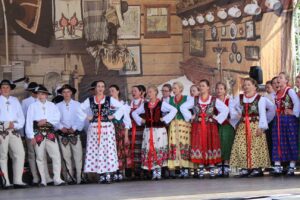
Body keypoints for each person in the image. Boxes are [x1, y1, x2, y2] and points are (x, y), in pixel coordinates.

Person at [77, 80, 124, 184]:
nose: (100, 88)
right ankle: (101, 174)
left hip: (107, 127)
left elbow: (122, 107)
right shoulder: (90, 100)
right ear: (95, 88)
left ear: (104, 88)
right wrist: (86, 116)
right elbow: (79, 109)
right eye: (98, 86)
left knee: (107, 150)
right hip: (94, 129)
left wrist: (114, 116)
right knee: (97, 151)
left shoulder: (109, 99)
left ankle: (108, 173)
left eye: (102, 86)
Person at [181, 79, 229, 179]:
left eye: (203, 86)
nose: (201, 87)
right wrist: (190, 117)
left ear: (208, 87)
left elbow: (225, 109)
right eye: (200, 86)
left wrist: (217, 118)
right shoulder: (194, 99)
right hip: (198, 126)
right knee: (199, 144)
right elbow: (183, 107)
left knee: (210, 143)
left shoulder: (213, 99)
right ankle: (201, 166)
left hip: (210, 126)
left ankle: (212, 166)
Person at [230, 78, 275, 177]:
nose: (246, 87)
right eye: (245, 85)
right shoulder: (240, 97)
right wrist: (235, 114)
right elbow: (231, 106)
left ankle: (257, 168)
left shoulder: (261, 99)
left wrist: (263, 123)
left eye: (248, 85)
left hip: (255, 126)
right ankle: (245, 167)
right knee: (241, 146)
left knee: (256, 146)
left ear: (255, 87)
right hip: (243, 125)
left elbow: (272, 109)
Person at [132, 85, 177, 180]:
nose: (149, 94)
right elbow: (134, 113)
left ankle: (158, 171)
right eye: (148, 92)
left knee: (158, 148)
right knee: (150, 149)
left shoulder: (161, 104)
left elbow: (174, 110)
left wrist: (164, 119)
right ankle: (153, 170)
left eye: (151, 92)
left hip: (159, 130)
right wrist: (141, 120)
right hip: (148, 130)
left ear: (156, 93)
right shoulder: (145, 105)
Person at [26, 85, 65, 186]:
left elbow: (57, 118)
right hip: (37, 133)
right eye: (39, 93)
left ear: (47, 95)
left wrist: (46, 121)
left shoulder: (52, 105)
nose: (40, 95)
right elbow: (29, 121)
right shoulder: (32, 106)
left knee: (56, 155)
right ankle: (43, 180)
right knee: (39, 156)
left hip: (50, 133)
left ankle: (57, 178)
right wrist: (31, 136)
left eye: (43, 93)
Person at [22, 82, 53, 186]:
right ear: (31, 92)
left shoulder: (44, 102)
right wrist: (25, 134)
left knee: (42, 154)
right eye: (35, 91)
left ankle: (45, 177)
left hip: (43, 131)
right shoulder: (26, 102)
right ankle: (35, 177)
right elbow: (25, 118)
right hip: (31, 131)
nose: (36, 93)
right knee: (31, 155)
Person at [0, 80, 27, 189]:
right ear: (0, 89)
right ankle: (5, 181)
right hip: (1, 131)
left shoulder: (15, 100)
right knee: (2, 156)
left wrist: (15, 125)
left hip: (14, 131)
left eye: (7, 87)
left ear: (10, 89)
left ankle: (18, 180)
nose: (5, 89)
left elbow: (21, 117)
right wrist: (5, 124)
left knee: (20, 154)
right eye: (3, 87)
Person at [272, 72, 300, 176]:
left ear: (286, 80)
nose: (278, 79)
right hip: (279, 119)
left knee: (290, 140)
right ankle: (278, 164)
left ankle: (292, 166)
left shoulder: (290, 91)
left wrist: (294, 113)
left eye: (281, 77)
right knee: (278, 140)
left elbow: (297, 102)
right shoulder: (278, 92)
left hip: (289, 120)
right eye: (278, 77)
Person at [55, 84, 84, 184]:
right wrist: (60, 127)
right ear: (62, 94)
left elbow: (81, 118)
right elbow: (55, 119)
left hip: (74, 133)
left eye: (68, 92)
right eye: (64, 92)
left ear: (71, 93)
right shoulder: (57, 106)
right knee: (66, 156)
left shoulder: (78, 104)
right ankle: (69, 177)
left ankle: (80, 178)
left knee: (78, 156)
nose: (66, 94)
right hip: (63, 134)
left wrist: (74, 128)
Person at [167, 82, 193, 178]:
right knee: (175, 145)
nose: (174, 90)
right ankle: (178, 167)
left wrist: (191, 117)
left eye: (175, 88)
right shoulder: (170, 100)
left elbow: (193, 108)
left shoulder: (187, 98)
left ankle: (186, 167)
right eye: (173, 88)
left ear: (181, 89)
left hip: (184, 124)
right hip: (174, 124)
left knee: (185, 144)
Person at [109, 85, 131, 181]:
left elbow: (127, 121)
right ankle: (113, 171)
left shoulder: (123, 104)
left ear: (118, 91)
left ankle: (120, 171)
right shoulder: (108, 104)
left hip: (120, 128)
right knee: (112, 150)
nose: (111, 93)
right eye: (110, 91)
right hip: (110, 129)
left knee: (121, 150)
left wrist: (126, 135)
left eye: (113, 91)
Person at [215, 82, 235, 177]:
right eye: (218, 88)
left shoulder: (229, 100)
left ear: (225, 90)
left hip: (227, 124)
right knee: (218, 143)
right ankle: (219, 163)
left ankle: (226, 163)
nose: (219, 90)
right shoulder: (213, 101)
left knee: (227, 143)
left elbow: (233, 112)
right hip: (217, 125)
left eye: (221, 88)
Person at [128, 85, 146, 179]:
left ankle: (143, 170)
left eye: (135, 90)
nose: (133, 92)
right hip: (131, 129)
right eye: (132, 91)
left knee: (141, 148)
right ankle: (135, 171)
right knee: (133, 149)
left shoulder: (144, 103)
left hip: (141, 129)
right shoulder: (129, 104)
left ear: (140, 92)